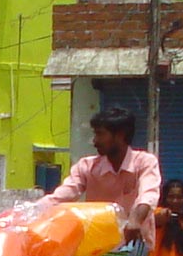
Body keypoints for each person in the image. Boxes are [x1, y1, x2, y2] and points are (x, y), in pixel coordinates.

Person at [46, 106, 162, 247]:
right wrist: (33, 211)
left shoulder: (145, 162)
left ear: (120, 135)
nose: (95, 141)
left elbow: (148, 195)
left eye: (100, 134)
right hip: (98, 248)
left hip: (136, 249)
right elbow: (62, 195)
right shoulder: (87, 167)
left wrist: (135, 220)